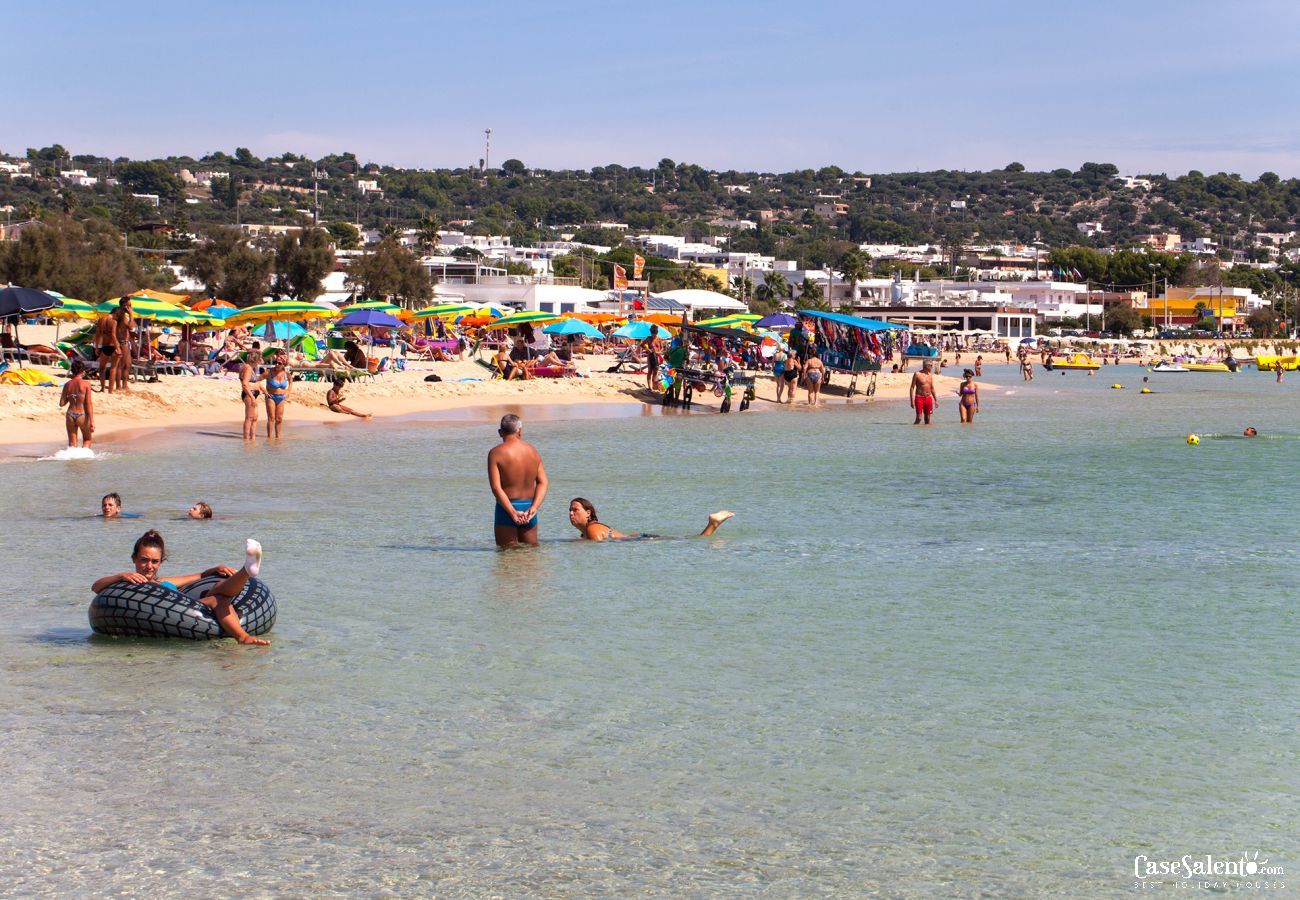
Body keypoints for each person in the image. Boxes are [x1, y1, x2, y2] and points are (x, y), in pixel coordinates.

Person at [91, 530, 269, 646]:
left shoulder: (163, 581)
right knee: (218, 598)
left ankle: (246, 571)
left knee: (216, 590)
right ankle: (242, 636)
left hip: (191, 610)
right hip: (179, 613)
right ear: (134, 560)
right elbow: (96, 587)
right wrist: (120, 576)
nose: (149, 566)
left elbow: (197, 577)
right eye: (144, 560)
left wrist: (214, 570)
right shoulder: (130, 582)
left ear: (161, 562)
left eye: (155, 561)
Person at [487, 414, 548, 548]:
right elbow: (543, 482)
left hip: (506, 508)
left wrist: (512, 512)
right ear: (519, 431)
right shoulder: (533, 451)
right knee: (531, 557)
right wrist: (533, 508)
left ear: (500, 432)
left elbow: (496, 488)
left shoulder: (495, 453)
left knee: (506, 558)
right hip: (529, 509)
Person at [568, 498, 734, 541]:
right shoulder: (586, 534)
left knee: (692, 539)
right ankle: (713, 524)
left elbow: (601, 547)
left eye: (575, 510)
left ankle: (713, 524)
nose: (571, 513)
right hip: (637, 538)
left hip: (639, 541)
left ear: (588, 512)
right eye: (569, 510)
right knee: (686, 539)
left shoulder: (592, 529)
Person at [59, 359, 94, 449]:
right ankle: (83, 460)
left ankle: (73, 461)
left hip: (70, 414)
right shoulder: (86, 384)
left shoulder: (67, 384)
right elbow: (88, 403)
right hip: (82, 415)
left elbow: (62, 403)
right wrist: (92, 421)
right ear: (82, 371)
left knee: (72, 444)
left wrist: (71, 396)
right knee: (87, 440)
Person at [263, 351, 290, 439]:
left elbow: (291, 380)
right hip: (271, 396)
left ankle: (277, 438)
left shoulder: (286, 373)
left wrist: (288, 391)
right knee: (271, 418)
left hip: (281, 397)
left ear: (283, 364)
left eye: (279, 363)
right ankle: (269, 438)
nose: (277, 365)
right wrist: (265, 391)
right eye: (275, 363)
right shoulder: (269, 372)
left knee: (279, 419)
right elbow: (258, 380)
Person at [239, 342, 262, 440]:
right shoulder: (248, 368)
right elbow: (245, 384)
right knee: (249, 417)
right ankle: (246, 439)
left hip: (253, 394)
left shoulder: (251, 368)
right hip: (249, 394)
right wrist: (252, 397)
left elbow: (256, 381)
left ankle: (252, 438)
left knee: (255, 417)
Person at [92, 308, 118, 394]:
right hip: (113, 346)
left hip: (104, 346)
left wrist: (96, 347)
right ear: (115, 313)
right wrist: (118, 347)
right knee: (113, 369)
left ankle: (103, 389)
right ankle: (110, 391)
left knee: (102, 369)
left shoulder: (101, 320)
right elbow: (113, 335)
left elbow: (97, 334)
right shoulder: (114, 321)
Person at [113, 297, 134, 393]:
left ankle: (124, 385)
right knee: (122, 365)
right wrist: (131, 315)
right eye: (129, 305)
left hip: (123, 342)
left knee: (127, 364)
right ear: (125, 305)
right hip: (122, 342)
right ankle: (120, 386)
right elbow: (130, 327)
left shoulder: (120, 314)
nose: (131, 307)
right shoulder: (122, 315)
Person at [909, 360, 938, 425]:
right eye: (931, 365)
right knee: (919, 418)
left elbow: (932, 388)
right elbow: (912, 387)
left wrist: (936, 400)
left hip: (928, 398)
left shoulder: (930, 375)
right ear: (926, 365)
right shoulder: (917, 374)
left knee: (927, 418)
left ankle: (926, 434)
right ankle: (914, 430)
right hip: (919, 398)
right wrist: (912, 401)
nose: (932, 367)